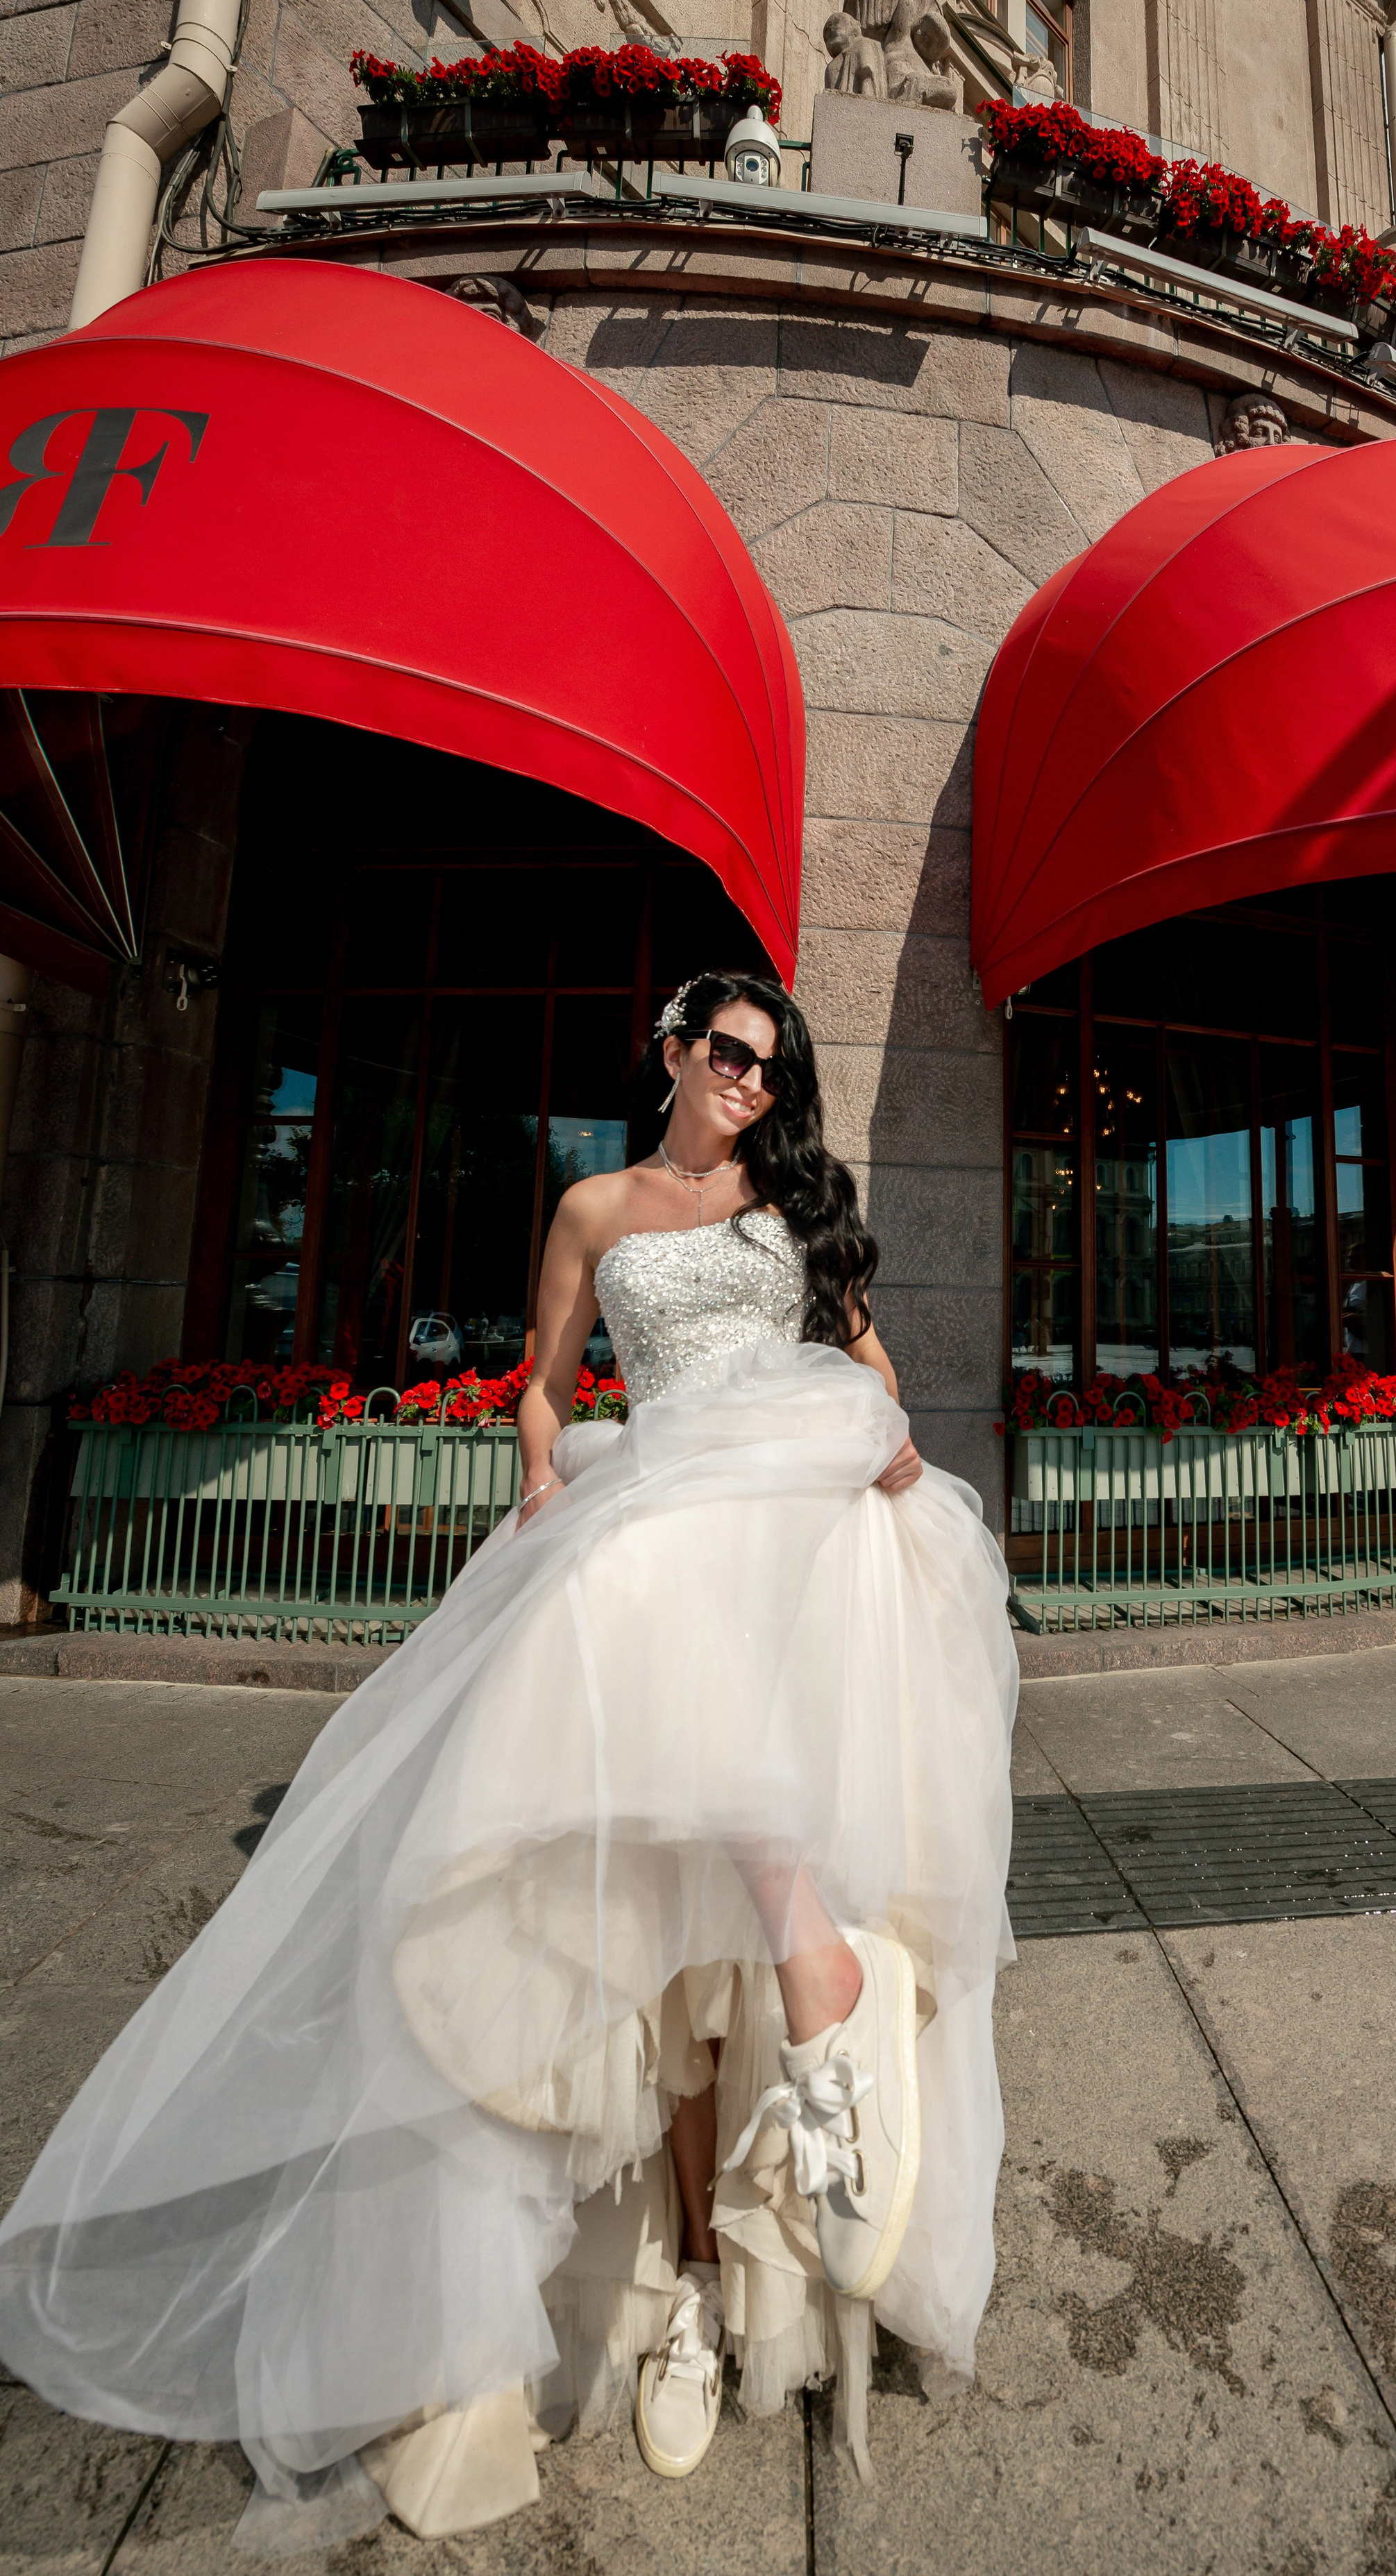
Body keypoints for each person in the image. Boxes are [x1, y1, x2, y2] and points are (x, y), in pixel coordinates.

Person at [0, 971, 1018, 2543]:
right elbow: (542, 1385)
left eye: (774, 1061)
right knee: (638, 1956)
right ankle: (686, 2270)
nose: (753, 1080)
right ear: (674, 1049)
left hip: (796, 1538)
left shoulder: (789, 1199)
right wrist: (543, 1479)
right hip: (656, 1514)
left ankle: (794, 2121)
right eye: (730, 1051)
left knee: (745, 1861)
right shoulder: (594, 1204)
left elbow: (865, 1365)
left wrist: (885, 1430)